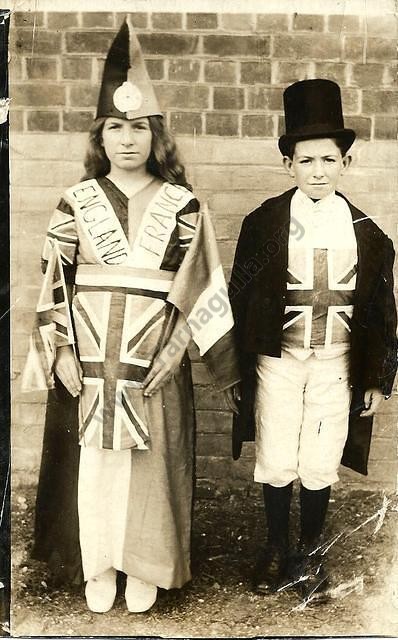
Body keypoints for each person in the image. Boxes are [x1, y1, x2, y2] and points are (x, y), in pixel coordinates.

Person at [23, 17, 239, 614]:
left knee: (151, 462)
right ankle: (97, 563)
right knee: (93, 463)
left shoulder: (185, 206)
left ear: (156, 136)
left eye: (139, 128)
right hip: (89, 355)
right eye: (115, 127)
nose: (127, 139)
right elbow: (53, 284)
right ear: (101, 135)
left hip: (154, 354)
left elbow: (202, 287)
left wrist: (176, 353)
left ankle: (144, 564)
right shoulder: (76, 200)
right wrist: (60, 349)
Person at [229, 79, 397, 603]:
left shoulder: (366, 233)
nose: (318, 172)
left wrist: (376, 377)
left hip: (336, 361)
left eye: (329, 160)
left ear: (346, 162)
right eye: (306, 161)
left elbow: (381, 311)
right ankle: (277, 548)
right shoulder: (264, 224)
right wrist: (235, 371)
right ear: (288, 165)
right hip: (277, 361)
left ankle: (310, 552)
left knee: (320, 457)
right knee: (277, 454)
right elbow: (238, 300)